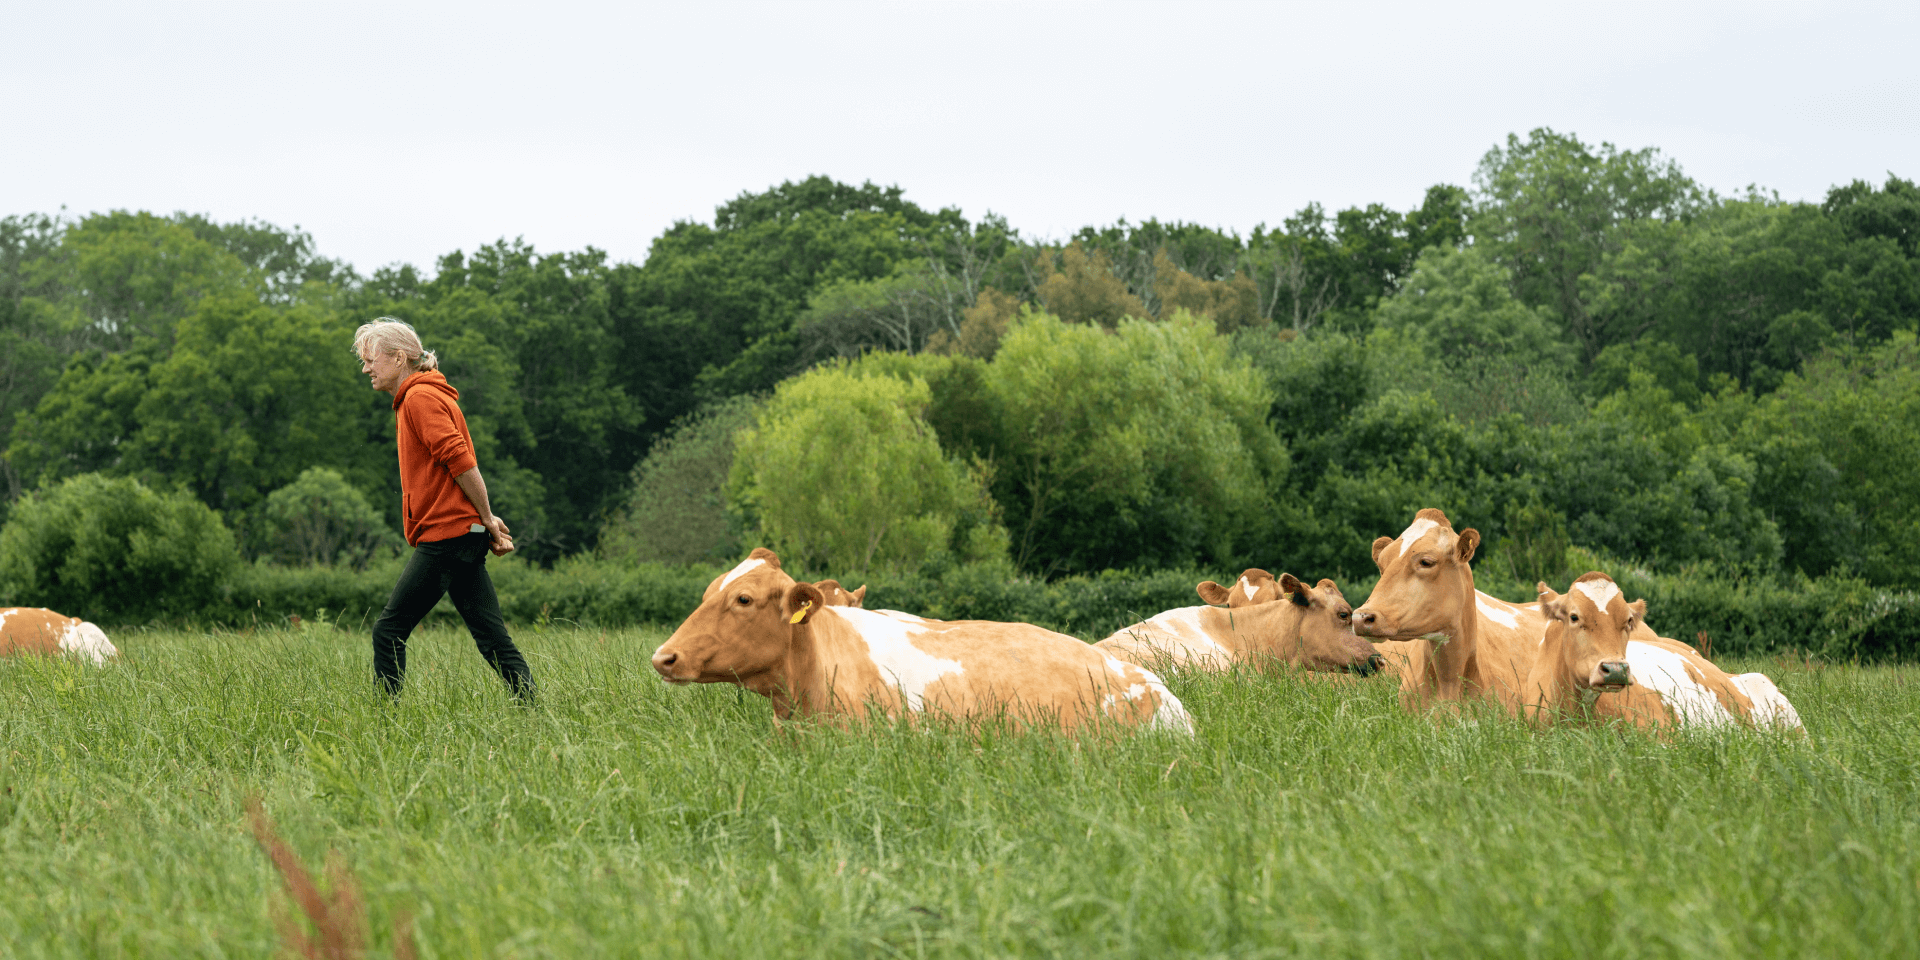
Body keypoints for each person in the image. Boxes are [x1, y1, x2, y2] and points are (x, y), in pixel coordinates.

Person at [353, 318, 534, 700]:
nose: (366, 367)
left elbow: (461, 460)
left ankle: (385, 722)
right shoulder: (422, 397)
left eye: (371, 359)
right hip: (460, 533)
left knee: (388, 631)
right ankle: (534, 707)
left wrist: (486, 518)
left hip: (448, 535)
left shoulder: (419, 398)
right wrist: (481, 520)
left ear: (399, 358)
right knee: (492, 638)